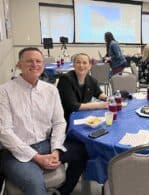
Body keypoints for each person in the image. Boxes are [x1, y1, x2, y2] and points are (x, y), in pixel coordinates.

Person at [0, 47, 88, 195]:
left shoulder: (50, 90)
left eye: (38, 61)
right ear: (19, 65)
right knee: (35, 184)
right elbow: (4, 131)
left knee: (82, 151)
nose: (34, 64)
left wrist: (56, 149)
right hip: (14, 151)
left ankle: (61, 192)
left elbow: (59, 122)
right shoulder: (4, 91)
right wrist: (37, 158)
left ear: (43, 65)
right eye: (29, 61)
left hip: (46, 144)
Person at [57, 53, 108, 123]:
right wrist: (98, 105)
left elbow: (98, 93)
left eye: (84, 63)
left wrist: (107, 98)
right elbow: (73, 106)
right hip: (67, 119)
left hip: (83, 116)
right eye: (78, 62)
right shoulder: (66, 79)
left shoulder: (91, 80)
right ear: (74, 65)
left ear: (90, 66)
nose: (81, 65)